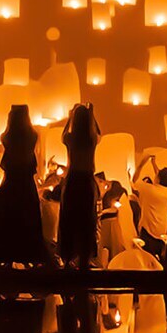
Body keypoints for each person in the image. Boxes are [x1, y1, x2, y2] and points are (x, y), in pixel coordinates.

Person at [0, 104, 49, 265]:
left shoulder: (7, 137)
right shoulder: (32, 137)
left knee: (8, 220)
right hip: (27, 186)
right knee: (28, 219)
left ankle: (6, 256)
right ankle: (30, 256)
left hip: (11, 184)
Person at [59, 104, 102, 267]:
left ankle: (68, 256)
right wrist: (92, 115)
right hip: (87, 182)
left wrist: (70, 117)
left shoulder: (71, 139)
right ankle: (85, 257)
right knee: (86, 220)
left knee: (69, 218)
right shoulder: (91, 140)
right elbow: (99, 134)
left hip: (72, 181)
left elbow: (63, 135)